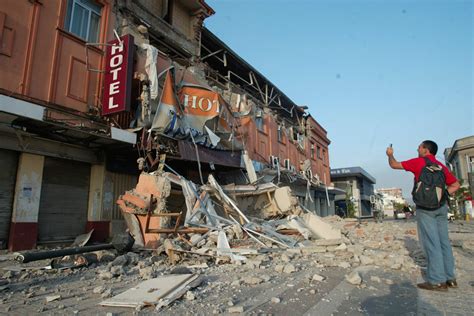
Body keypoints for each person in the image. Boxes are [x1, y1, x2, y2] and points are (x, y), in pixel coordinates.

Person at [386, 140, 460, 291]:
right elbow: (456, 185)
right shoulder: (441, 166)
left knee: (431, 243)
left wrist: (390, 155)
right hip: (441, 207)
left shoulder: (419, 162)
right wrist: (442, 196)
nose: (417, 148)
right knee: (443, 242)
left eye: (419, 147)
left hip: (425, 208)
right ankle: (450, 278)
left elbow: (394, 165)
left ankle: (437, 281)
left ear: (426, 150)